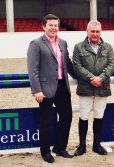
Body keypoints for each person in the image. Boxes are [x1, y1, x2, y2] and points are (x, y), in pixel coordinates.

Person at [27, 14, 77, 163]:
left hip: (62, 86)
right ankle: (45, 151)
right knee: (46, 121)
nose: (54, 28)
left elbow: (67, 64)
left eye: (56, 25)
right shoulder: (36, 44)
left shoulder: (63, 43)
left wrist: (82, 78)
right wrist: (36, 90)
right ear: (44, 26)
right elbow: (32, 69)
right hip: (45, 88)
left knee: (67, 117)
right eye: (51, 25)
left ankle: (60, 148)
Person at [72, 20, 114, 156]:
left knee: (99, 115)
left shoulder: (108, 47)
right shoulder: (78, 47)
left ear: (100, 32)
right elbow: (77, 66)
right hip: (86, 87)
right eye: (92, 31)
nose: (95, 34)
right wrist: (92, 78)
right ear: (87, 32)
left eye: (97, 31)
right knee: (83, 115)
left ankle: (97, 144)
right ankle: (82, 146)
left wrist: (101, 78)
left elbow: (112, 65)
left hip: (102, 88)